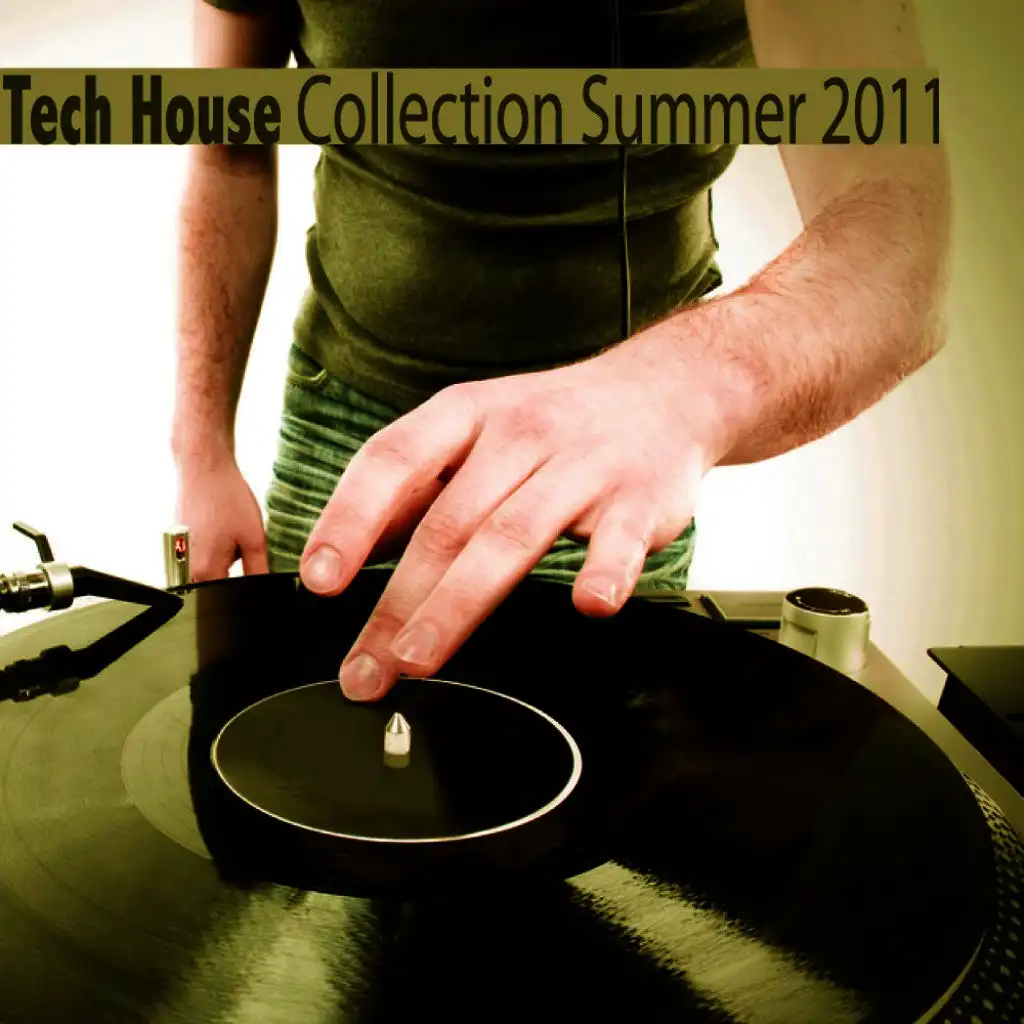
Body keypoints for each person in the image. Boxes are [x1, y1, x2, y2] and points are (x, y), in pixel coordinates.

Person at [173, 0, 949, 703]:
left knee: (595, 778)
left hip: (604, 460)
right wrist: (201, 451)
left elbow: (898, 239)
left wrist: (681, 390)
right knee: (307, 752)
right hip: (344, 423)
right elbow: (224, 152)